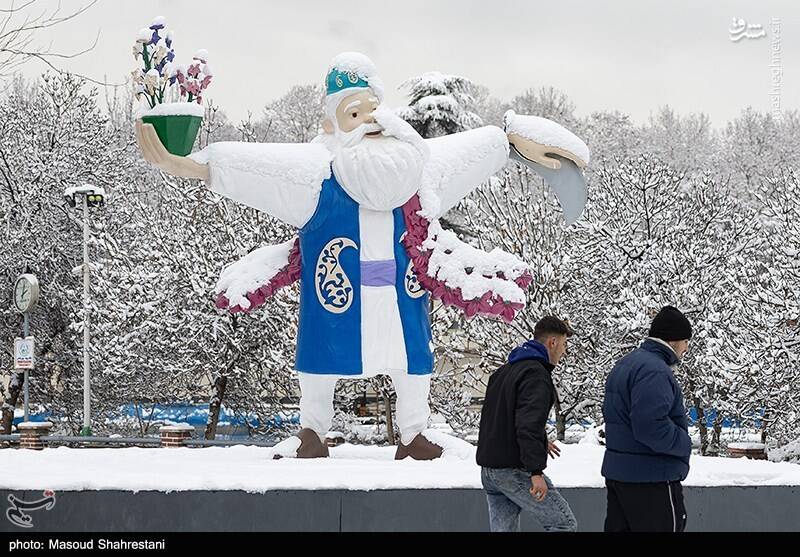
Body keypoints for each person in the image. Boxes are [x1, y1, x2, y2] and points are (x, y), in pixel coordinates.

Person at [476, 316, 578, 532]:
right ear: (553, 342)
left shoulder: (503, 372)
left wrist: (541, 440)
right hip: (514, 470)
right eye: (564, 344)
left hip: (490, 471)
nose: (564, 351)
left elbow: (501, 418)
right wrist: (536, 471)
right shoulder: (536, 375)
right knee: (563, 524)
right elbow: (527, 424)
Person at [601, 305, 693, 532]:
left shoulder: (626, 364)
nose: (686, 348)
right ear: (673, 341)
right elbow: (650, 427)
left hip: (620, 477)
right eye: (685, 341)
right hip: (652, 480)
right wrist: (684, 443)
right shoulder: (656, 371)